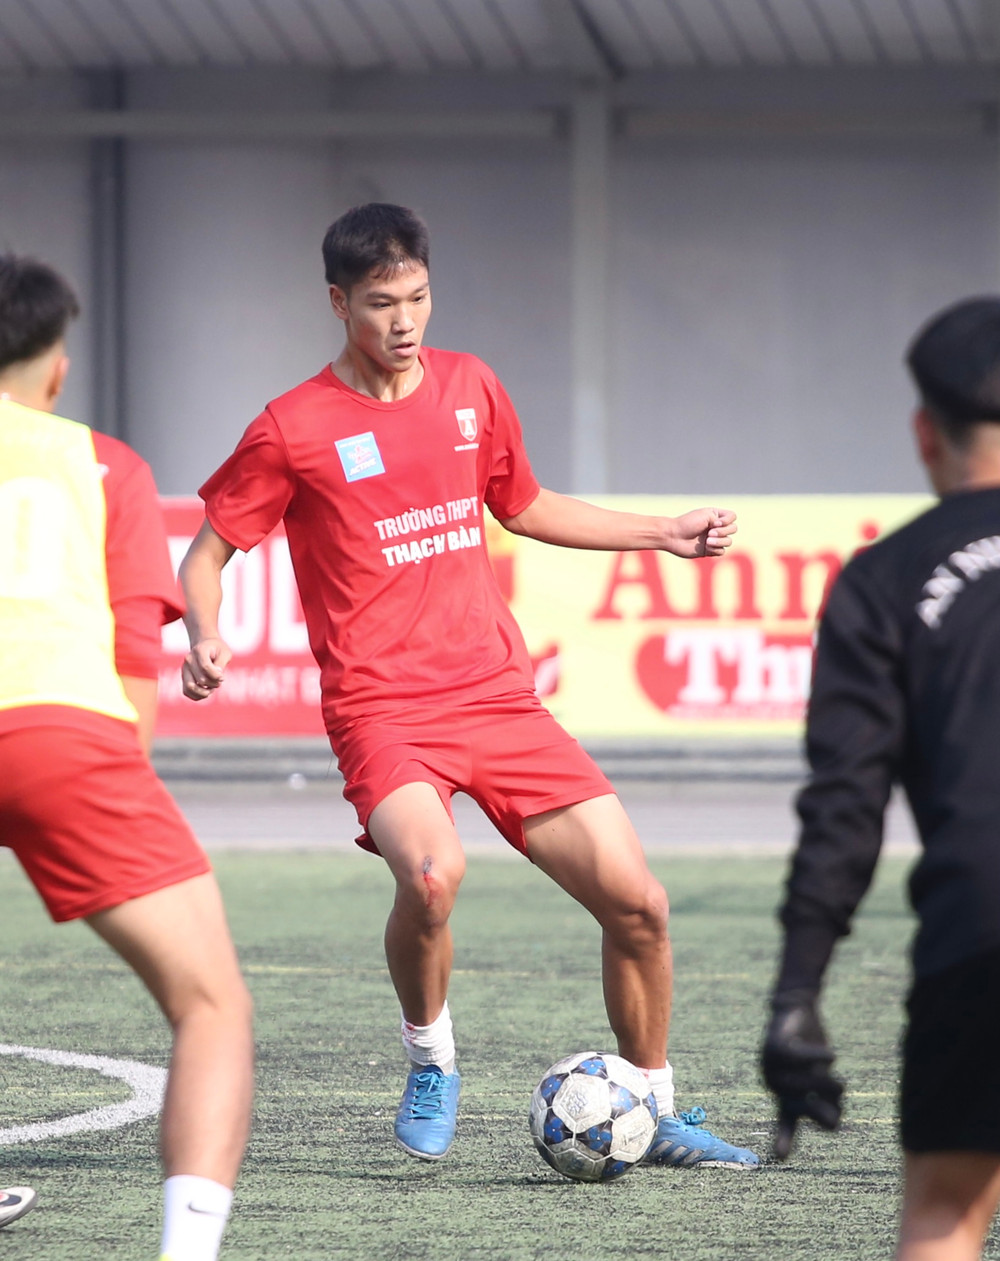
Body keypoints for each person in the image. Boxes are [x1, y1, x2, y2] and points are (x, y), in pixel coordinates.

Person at [179, 202, 758, 1170]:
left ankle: (653, 1106)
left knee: (641, 903)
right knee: (431, 876)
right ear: (338, 303)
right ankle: (431, 1059)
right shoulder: (291, 427)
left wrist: (661, 531)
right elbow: (206, 555)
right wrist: (205, 632)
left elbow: (522, 505)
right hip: (382, 711)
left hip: (497, 697)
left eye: (417, 296)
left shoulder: (471, 386)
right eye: (381, 303)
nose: (404, 320)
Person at [0, 253, 254, 1261]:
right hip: (62, 736)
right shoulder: (105, 465)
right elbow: (131, 658)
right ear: (58, 366)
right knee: (211, 1006)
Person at [762, 297, 1000, 1258]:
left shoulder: (883, 580)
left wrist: (796, 994)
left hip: (978, 932)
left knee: (945, 1213)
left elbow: (845, 810)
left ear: (923, 433)